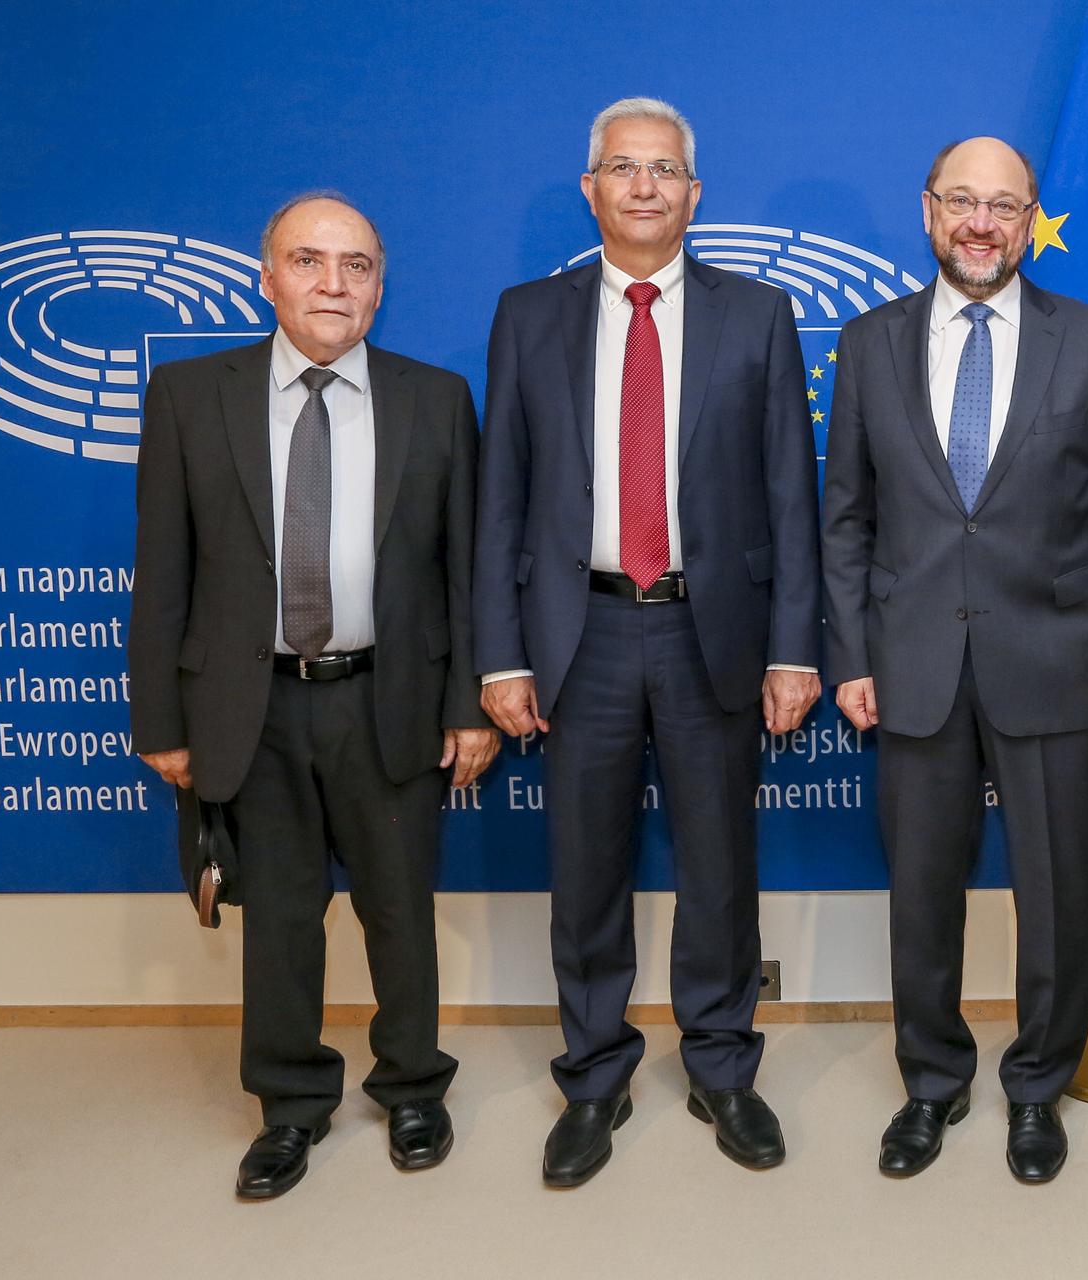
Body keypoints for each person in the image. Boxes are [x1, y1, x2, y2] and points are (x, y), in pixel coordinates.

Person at [473, 97, 820, 1186]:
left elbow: (789, 496)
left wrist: (793, 648)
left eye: (664, 169)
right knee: (585, 870)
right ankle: (593, 1073)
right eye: (622, 167)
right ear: (592, 189)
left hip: (708, 629)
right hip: (578, 633)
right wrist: (501, 653)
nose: (643, 186)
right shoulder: (529, 315)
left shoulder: (756, 315)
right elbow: (501, 500)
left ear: (693, 193)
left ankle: (722, 1062)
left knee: (722, 865)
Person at [129, 193, 497, 1199]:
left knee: (399, 908)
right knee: (279, 916)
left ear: (381, 285)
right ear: (268, 277)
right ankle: (290, 1105)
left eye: (358, 265)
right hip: (253, 707)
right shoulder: (190, 395)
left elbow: (463, 570)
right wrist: (160, 720)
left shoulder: (436, 397)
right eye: (310, 260)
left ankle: (414, 1084)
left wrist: (467, 704)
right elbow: (162, 569)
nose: (334, 283)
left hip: (392, 699)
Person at [821, 136, 1088, 1184]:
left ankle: (1035, 1087)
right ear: (928, 211)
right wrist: (849, 654)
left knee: (1058, 894)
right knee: (922, 892)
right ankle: (931, 1081)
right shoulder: (870, 342)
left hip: (1056, 658)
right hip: (911, 660)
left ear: (1029, 219)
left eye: (1003, 204)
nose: (981, 221)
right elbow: (846, 520)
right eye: (961, 201)